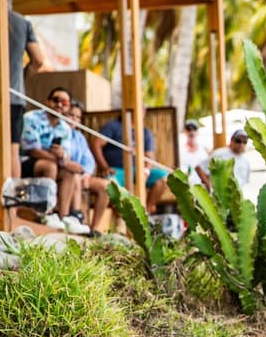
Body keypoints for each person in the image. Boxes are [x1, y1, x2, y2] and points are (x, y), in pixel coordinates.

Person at [0, 8, 49, 180]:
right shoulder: (22, 22)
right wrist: (21, 78)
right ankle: (11, 204)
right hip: (13, 94)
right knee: (12, 150)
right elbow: (38, 60)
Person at [19, 86, 89, 234]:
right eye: (56, 100)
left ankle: (63, 216)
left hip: (51, 163)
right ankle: (47, 212)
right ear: (47, 101)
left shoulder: (65, 128)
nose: (59, 104)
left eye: (65, 102)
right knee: (51, 166)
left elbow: (65, 154)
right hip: (25, 161)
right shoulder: (32, 118)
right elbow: (32, 149)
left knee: (68, 171)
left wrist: (64, 159)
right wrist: (60, 158)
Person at [89, 111, 169, 213]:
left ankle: (146, 211)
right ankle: (122, 212)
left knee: (163, 178)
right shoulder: (113, 126)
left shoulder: (144, 132)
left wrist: (146, 171)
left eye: (142, 111)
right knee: (112, 186)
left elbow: (149, 156)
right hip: (117, 171)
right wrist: (105, 167)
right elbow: (96, 144)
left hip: (138, 169)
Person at [66, 101, 110, 233]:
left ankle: (94, 227)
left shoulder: (79, 137)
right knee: (74, 178)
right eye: (71, 115)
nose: (74, 119)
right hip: (67, 173)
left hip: (82, 175)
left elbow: (89, 160)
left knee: (106, 187)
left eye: (78, 117)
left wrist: (86, 174)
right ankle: (75, 217)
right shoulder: (60, 132)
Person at [179, 118, 208, 185]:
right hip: (185, 185)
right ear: (184, 131)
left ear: (197, 132)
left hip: (202, 187)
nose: (191, 132)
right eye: (189, 129)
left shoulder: (204, 150)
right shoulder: (180, 150)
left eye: (194, 129)